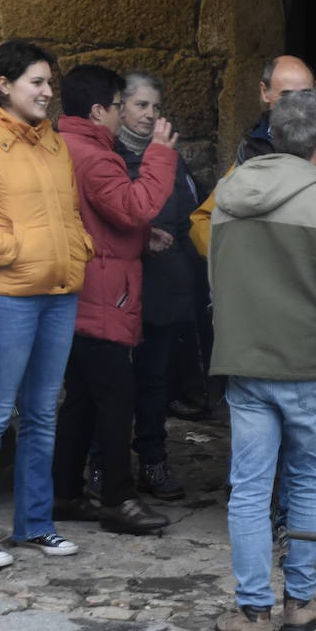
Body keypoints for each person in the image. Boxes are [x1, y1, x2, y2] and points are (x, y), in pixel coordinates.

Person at [207, 90, 316, 631]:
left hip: (247, 359)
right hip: (310, 362)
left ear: (272, 137)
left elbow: (216, 277)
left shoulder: (229, 193)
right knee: (307, 480)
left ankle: (252, 611)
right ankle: (301, 601)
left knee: (250, 489)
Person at [0, 41, 94, 567]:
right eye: (37, 82)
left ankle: (35, 524)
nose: (48, 92)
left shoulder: (51, 141)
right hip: (4, 298)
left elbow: (70, 209)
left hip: (57, 293)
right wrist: (9, 250)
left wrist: (78, 250)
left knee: (41, 414)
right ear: (4, 85)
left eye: (50, 83)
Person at [51, 64, 176, 535]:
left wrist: (143, 238)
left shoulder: (67, 146)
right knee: (116, 399)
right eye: (122, 104)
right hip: (101, 296)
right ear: (99, 109)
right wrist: (160, 156)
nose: (128, 113)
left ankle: (63, 493)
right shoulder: (96, 156)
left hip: (80, 292)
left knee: (81, 399)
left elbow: (100, 219)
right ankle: (119, 501)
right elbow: (133, 206)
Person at [112, 71, 201, 503]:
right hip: (115, 288)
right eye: (140, 105)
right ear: (120, 107)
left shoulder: (170, 156)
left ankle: (152, 460)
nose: (149, 114)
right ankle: (103, 467)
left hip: (162, 285)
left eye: (155, 107)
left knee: (154, 381)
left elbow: (185, 216)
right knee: (109, 382)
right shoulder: (106, 155)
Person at [189, 55, 316, 257]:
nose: (297, 107)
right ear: (264, 92)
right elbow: (204, 221)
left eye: (305, 95)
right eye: (286, 96)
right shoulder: (253, 148)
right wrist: (240, 260)